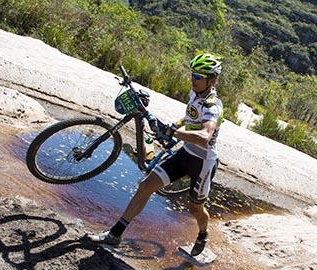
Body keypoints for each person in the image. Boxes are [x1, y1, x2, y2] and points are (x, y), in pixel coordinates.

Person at [88, 53, 223, 256]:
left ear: (211, 80)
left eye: (197, 76)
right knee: (145, 186)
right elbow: (191, 116)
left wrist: (173, 133)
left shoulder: (212, 105)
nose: (192, 79)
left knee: (195, 209)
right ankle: (114, 235)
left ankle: (203, 233)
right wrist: (176, 125)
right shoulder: (194, 94)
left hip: (203, 163)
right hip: (185, 154)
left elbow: (205, 135)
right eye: (192, 74)